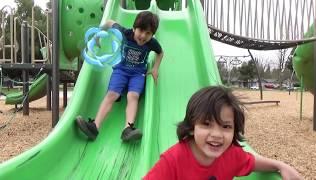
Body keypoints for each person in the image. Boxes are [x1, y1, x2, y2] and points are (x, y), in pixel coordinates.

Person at [144, 86, 302, 180]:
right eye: (206, 124)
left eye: (226, 127)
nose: (217, 134)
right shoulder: (173, 161)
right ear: (192, 126)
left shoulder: (231, 154)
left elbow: (252, 162)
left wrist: (280, 165)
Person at [76, 11, 164, 142]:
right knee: (112, 94)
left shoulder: (152, 43)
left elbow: (160, 53)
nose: (143, 36)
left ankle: (127, 129)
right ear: (134, 28)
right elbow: (109, 22)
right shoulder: (125, 33)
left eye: (148, 33)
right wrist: (97, 37)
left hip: (138, 74)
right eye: (141, 31)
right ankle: (94, 127)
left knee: (132, 96)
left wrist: (155, 69)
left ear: (152, 34)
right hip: (121, 70)